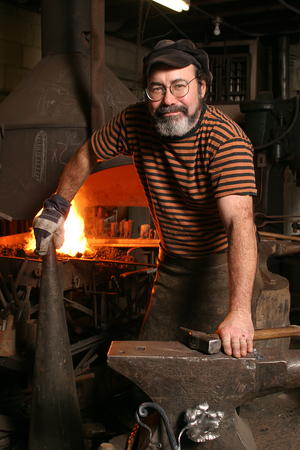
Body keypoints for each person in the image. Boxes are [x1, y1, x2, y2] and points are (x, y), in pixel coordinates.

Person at [33, 39, 262, 359]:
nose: (169, 100)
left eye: (180, 86)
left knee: (206, 372)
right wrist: (58, 205)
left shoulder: (226, 142)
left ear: (203, 87)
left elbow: (240, 224)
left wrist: (239, 312)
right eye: (157, 89)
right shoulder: (135, 121)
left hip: (219, 268)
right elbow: (88, 154)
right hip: (171, 264)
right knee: (150, 361)